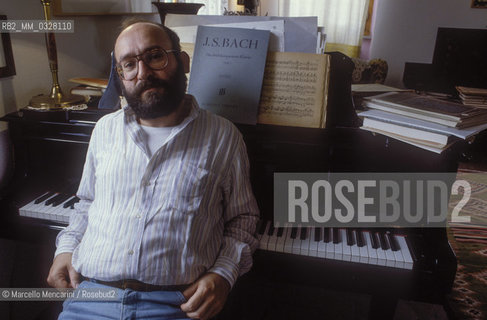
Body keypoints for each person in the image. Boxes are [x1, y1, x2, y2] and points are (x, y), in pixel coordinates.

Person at [47, 19, 259, 320]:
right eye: (129, 65)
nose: (143, 72)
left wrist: (224, 274)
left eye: (155, 56)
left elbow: (243, 219)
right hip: (92, 297)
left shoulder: (223, 136)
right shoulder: (104, 130)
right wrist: (65, 249)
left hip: (175, 304)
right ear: (120, 76)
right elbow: (88, 203)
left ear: (181, 61)